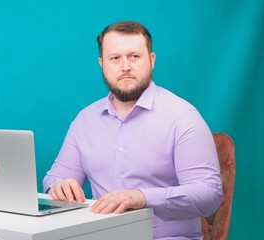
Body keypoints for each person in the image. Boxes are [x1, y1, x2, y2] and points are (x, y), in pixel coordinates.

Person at [42, 21, 222, 239]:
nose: (125, 66)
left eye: (134, 56)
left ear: (151, 60)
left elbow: (209, 195)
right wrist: (59, 186)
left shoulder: (183, 117)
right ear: (102, 64)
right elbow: (54, 178)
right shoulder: (85, 120)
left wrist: (143, 197)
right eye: (115, 58)